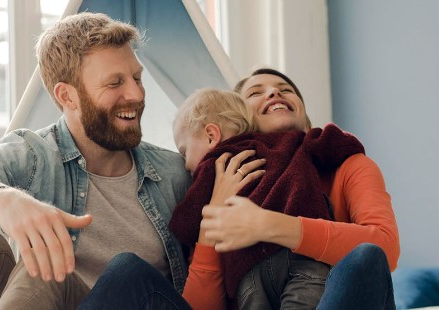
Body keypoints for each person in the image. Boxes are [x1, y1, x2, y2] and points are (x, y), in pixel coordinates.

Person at [0, 12, 192, 309]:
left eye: (136, 77)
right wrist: (2, 200)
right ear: (68, 97)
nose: (135, 93)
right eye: (114, 83)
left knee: (102, 268)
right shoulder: (33, 155)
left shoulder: (172, 173)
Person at [79, 68, 400, 310]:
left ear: (305, 120)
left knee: (366, 258)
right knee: (126, 270)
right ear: (238, 126)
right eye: (256, 92)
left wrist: (267, 225)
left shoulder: (347, 164)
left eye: (285, 89)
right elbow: (202, 308)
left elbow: (386, 249)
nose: (274, 93)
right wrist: (213, 220)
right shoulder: (219, 182)